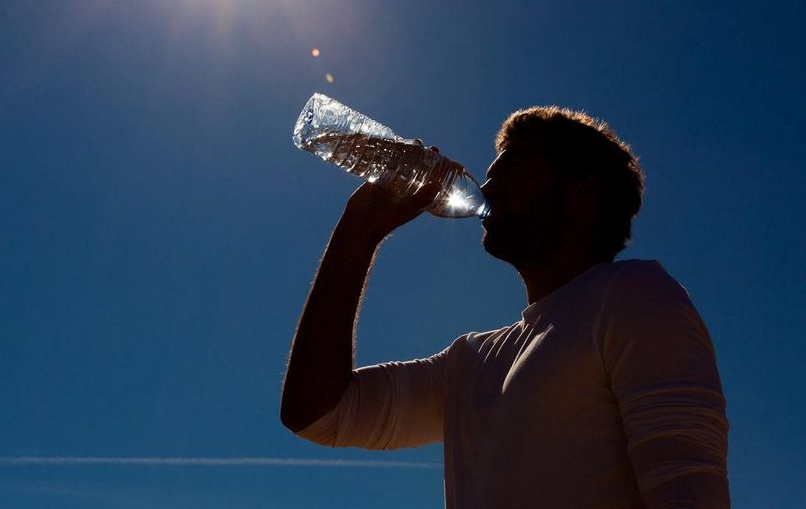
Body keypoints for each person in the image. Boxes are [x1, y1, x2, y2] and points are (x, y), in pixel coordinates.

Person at [280, 106, 730, 508]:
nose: (488, 185)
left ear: (582, 192)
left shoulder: (634, 295)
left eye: (512, 167)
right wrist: (359, 230)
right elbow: (318, 413)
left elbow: (688, 492)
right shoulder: (469, 363)